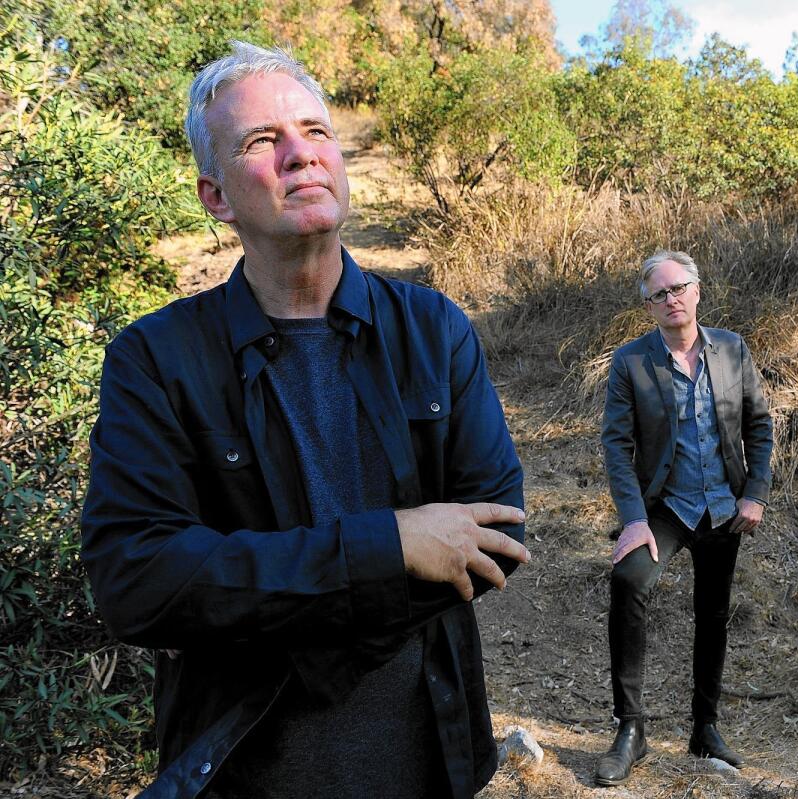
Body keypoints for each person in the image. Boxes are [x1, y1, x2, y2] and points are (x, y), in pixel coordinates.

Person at [81, 41, 528, 799]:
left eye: (315, 131)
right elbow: (137, 580)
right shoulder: (156, 358)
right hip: (241, 768)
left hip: (428, 760)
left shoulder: (433, 328)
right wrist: (384, 549)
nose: (300, 155)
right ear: (216, 197)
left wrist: (290, 606)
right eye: (262, 141)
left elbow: (496, 537)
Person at [595, 250, 773, 786]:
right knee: (629, 582)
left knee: (713, 613)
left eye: (679, 288)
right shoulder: (631, 362)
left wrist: (755, 494)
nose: (671, 299)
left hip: (724, 508)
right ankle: (631, 729)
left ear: (697, 291)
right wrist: (632, 519)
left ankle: (705, 727)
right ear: (648, 305)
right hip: (665, 510)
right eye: (659, 294)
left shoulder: (733, 349)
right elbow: (616, 443)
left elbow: (760, 426)